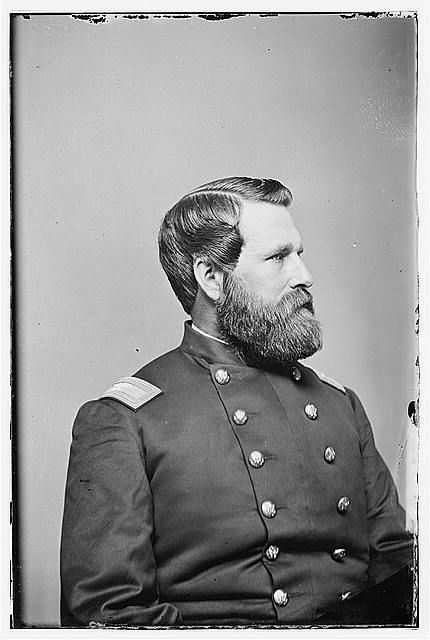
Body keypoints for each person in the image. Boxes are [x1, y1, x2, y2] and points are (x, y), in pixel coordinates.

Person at [60, 176, 413, 627]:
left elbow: (400, 568)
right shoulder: (124, 421)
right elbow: (109, 614)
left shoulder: (341, 405)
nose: (304, 277)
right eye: (278, 257)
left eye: (298, 254)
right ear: (211, 277)